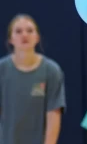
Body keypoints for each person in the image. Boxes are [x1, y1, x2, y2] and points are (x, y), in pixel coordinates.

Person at [0, 14, 66, 144]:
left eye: (30, 30)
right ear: (10, 39)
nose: (24, 35)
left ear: (37, 37)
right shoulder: (2, 69)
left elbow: (53, 114)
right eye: (18, 31)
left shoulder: (51, 70)